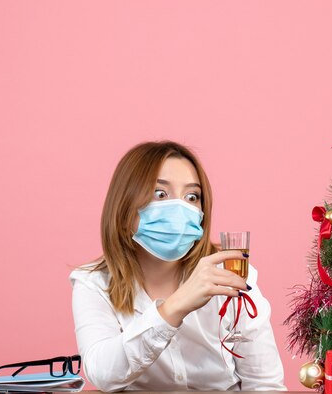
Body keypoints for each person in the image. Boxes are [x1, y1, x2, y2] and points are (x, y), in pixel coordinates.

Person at [70, 141, 286, 392]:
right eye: (160, 194)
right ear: (124, 205)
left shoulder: (232, 274)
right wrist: (174, 307)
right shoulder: (92, 283)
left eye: (192, 196)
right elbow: (102, 374)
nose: (181, 208)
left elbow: (264, 384)